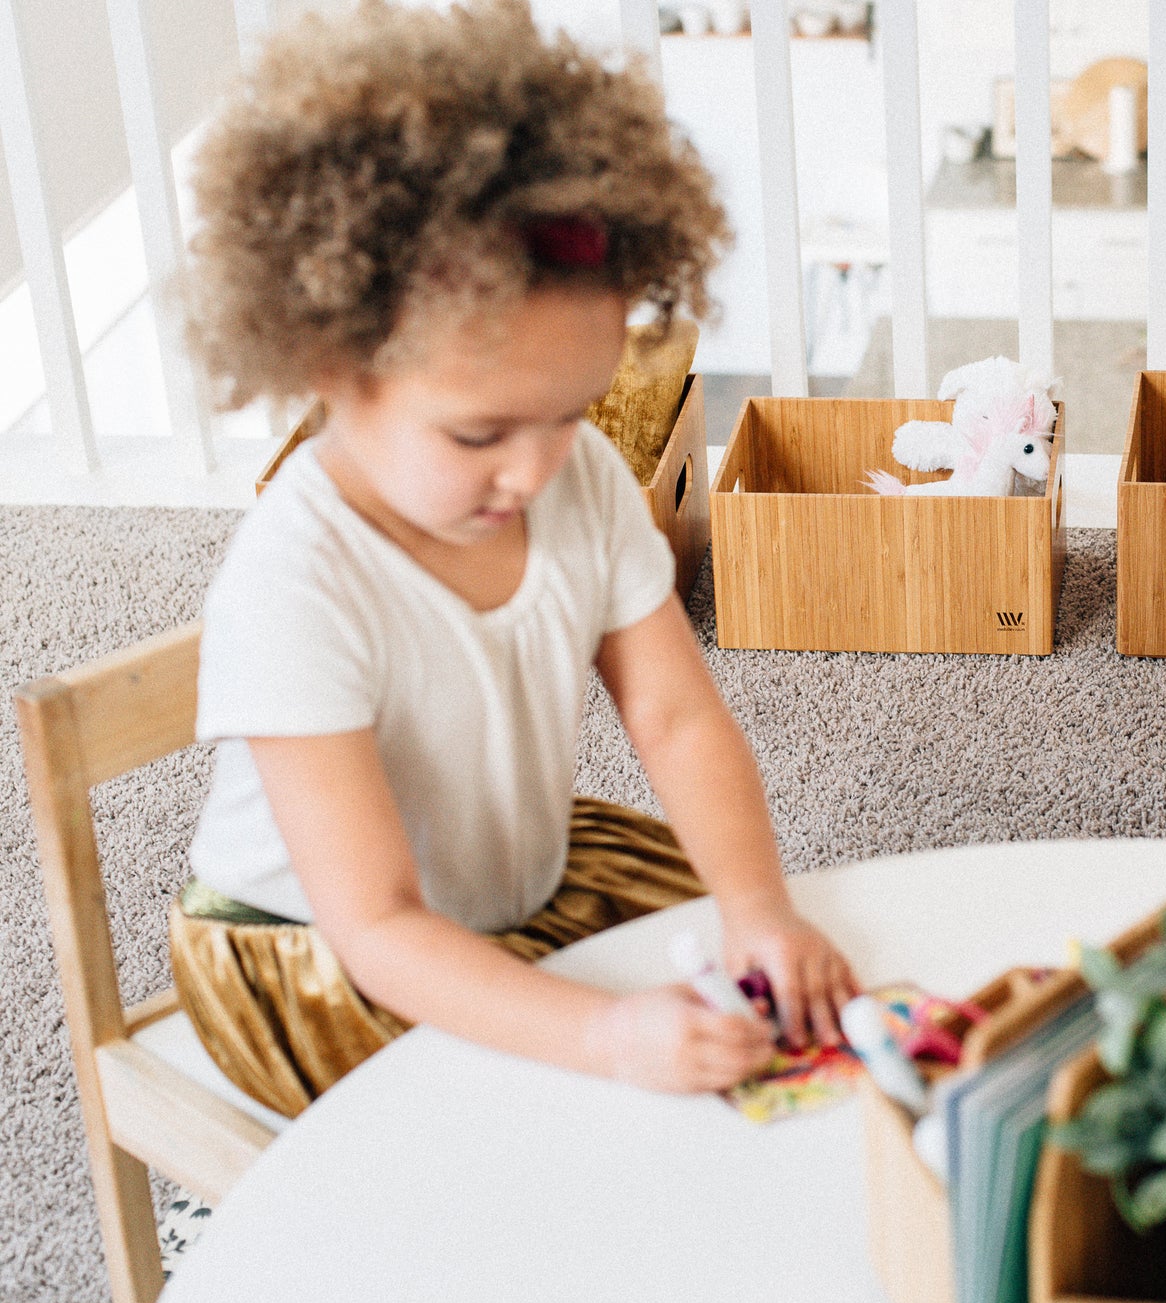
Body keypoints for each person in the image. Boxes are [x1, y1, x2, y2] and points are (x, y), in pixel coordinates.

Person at [171, 0, 857, 1118]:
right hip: (316, 946)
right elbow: (379, 922)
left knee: (744, 986)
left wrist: (759, 912)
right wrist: (605, 1032)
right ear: (332, 369)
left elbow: (677, 721)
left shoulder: (577, 478)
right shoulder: (296, 579)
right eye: (480, 434)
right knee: (551, 1118)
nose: (538, 469)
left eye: (571, 411)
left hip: (510, 876)